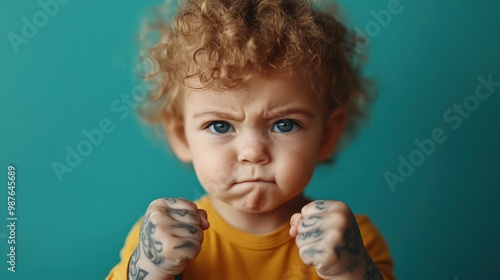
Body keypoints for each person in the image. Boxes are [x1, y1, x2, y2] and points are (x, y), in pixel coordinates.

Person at [107, 0, 395, 279]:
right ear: (182, 136)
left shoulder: (351, 242)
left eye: (284, 125)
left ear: (326, 136)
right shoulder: (159, 238)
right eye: (220, 126)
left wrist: (352, 271)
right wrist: (148, 268)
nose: (252, 152)